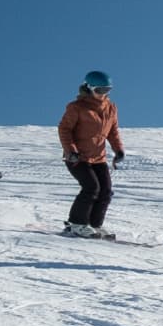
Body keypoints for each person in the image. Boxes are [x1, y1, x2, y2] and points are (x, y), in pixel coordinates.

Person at [57, 70, 125, 237]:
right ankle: (76, 224)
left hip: (98, 157)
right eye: (100, 90)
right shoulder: (76, 107)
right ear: (88, 88)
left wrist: (118, 150)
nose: (103, 94)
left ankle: (94, 225)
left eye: (107, 90)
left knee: (106, 191)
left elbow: (112, 131)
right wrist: (70, 150)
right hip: (78, 157)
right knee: (91, 188)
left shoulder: (111, 107)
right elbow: (65, 129)